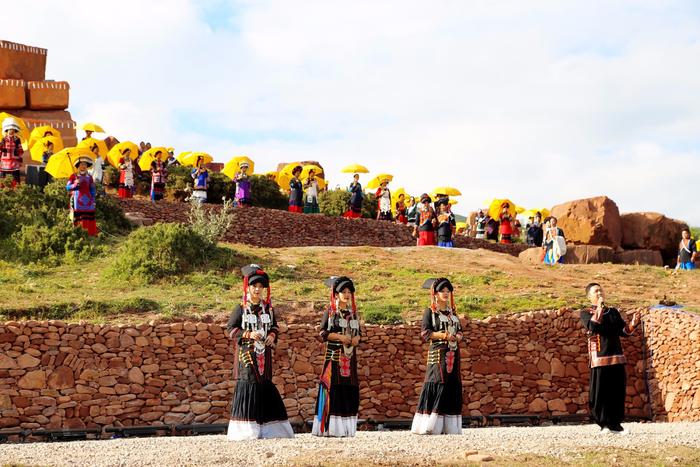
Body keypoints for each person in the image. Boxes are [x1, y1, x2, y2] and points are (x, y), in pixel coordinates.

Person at [225, 265, 294, 440]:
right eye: (254, 286)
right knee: (250, 385)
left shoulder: (268, 309)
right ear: (248, 287)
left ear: (264, 289)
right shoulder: (240, 309)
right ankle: (247, 431)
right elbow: (231, 330)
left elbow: (275, 327)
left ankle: (269, 430)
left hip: (264, 355)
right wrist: (248, 334)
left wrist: (271, 335)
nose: (257, 289)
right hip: (247, 355)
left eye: (260, 287)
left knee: (264, 385)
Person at [580, 283, 640, 435]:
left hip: (617, 357)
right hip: (599, 358)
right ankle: (604, 424)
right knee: (601, 393)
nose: (599, 293)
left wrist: (633, 323)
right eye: (596, 291)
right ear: (589, 297)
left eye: (601, 290)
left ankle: (616, 425)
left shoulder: (613, 312)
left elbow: (623, 332)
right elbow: (593, 326)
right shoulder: (586, 312)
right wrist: (599, 308)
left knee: (617, 392)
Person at [411, 277, 463, 435]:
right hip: (438, 353)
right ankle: (429, 425)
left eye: (448, 291)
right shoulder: (430, 312)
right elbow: (425, 333)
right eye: (443, 291)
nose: (446, 293)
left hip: (453, 353)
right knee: (437, 382)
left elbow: (460, 330)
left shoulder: (452, 313)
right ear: (436, 293)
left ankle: (448, 427)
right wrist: (443, 336)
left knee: (451, 384)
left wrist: (459, 336)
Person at [312, 276, 362, 437]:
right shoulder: (330, 312)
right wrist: (340, 338)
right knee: (335, 387)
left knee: (349, 388)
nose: (347, 294)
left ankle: (347, 428)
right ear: (336, 294)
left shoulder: (354, 314)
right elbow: (323, 333)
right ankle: (331, 428)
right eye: (343, 292)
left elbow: (359, 334)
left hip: (349, 357)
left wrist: (356, 339)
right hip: (334, 356)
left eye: (349, 292)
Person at [66, 156, 98, 236]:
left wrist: (93, 200)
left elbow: (92, 190)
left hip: (89, 202)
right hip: (77, 201)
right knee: (78, 218)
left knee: (89, 217)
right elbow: (67, 187)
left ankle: (90, 234)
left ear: (87, 166)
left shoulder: (90, 177)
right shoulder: (73, 176)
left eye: (85, 164)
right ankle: (79, 234)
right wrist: (75, 184)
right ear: (78, 166)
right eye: (81, 164)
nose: (83, 166)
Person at [0, 118, 24, 188]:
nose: (11, 131)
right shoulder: (3, 139)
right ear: (7, 130)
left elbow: (20, 150)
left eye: (13, 130)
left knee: (15, 176)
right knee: (4, 176)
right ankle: (3, 189)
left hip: (14, 162)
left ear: (15, 130)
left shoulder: (17, 139)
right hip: (5, 162)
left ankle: (15, 189)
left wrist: (18, 150)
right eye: (10, 130)